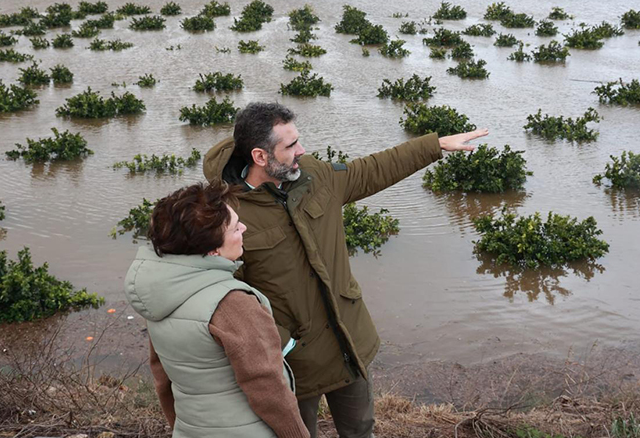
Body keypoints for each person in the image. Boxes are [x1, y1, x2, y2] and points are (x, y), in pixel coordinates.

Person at [203, 102, 487, 437]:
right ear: (260, 157)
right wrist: (282, 343)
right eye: (291, 146)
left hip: (347, 343)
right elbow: (219, 292)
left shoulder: (314, 175)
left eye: (298, 141)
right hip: (292, 363)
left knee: (361, 430)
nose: (302, 151)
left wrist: (433, 145)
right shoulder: (227, 212)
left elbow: (370, 170)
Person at [124, 181, 309, 438]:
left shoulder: (159, 294)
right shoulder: (233, 303)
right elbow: (267, 386)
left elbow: (162, 379)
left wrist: (181, 427)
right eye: (235, 228)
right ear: (212, 250)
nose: (244, 228)